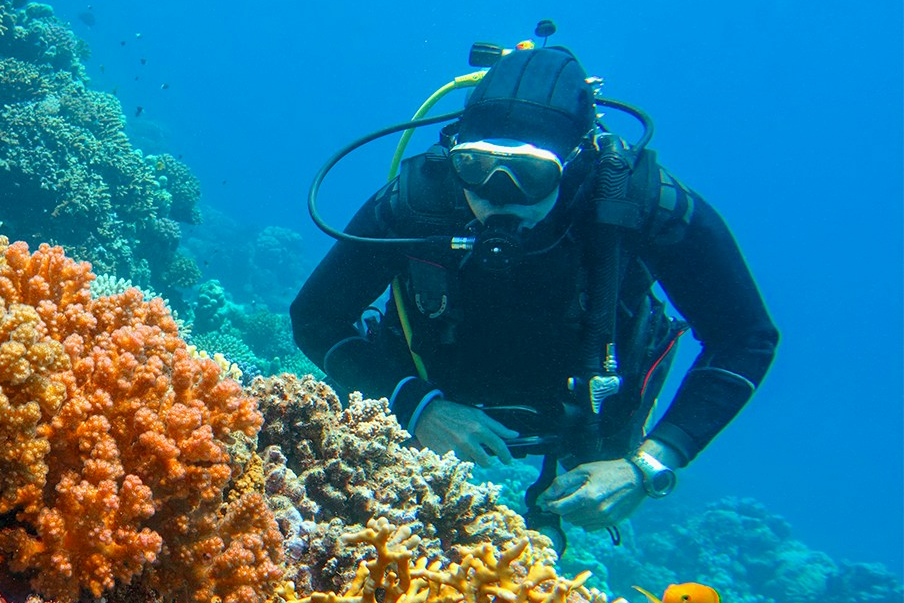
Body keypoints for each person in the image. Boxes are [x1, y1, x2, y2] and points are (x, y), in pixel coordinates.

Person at [291, 44, 778, 550]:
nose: (497, 196)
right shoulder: (421, 199)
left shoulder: (638, 202)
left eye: (532, 174)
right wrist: (418, 406)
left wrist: (648, 465)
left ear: (575, 162)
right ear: (454, 149)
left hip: (588, 420)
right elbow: (315, 318)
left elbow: (746, 337)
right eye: (475, 166)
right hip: (430, 397)